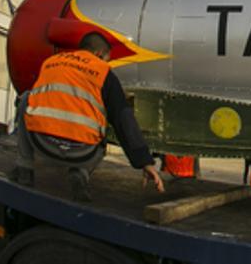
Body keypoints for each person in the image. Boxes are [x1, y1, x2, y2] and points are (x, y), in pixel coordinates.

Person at [9, 33, 164, 201]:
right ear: (98, 54)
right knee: (106, 116)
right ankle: (80, 173)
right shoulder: (103, 72)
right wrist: (144, 161)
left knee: (26, 98)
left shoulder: (51, 62)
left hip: (41, 144)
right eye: (106, 59)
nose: (105, 64)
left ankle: (24, 168)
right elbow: (123, 119)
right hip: (82, 153)